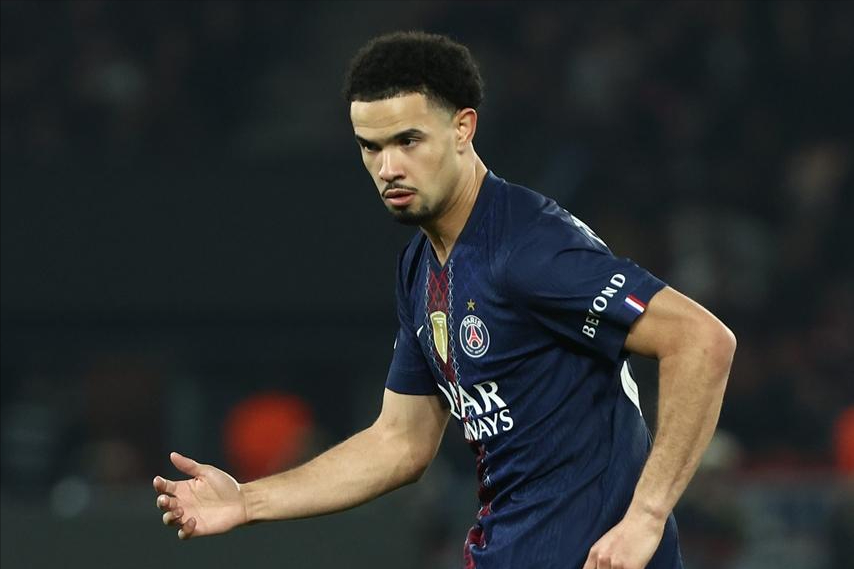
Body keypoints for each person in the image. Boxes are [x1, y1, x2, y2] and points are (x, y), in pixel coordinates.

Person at [153, 31, 735, 569]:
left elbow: (701, 340)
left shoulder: (527, 247)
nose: (388, 168)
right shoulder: (420, 266)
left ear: (463, 128)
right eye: (370, 147)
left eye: (408, 141)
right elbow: (399, 442)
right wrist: (247, 501)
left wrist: (646, 517)